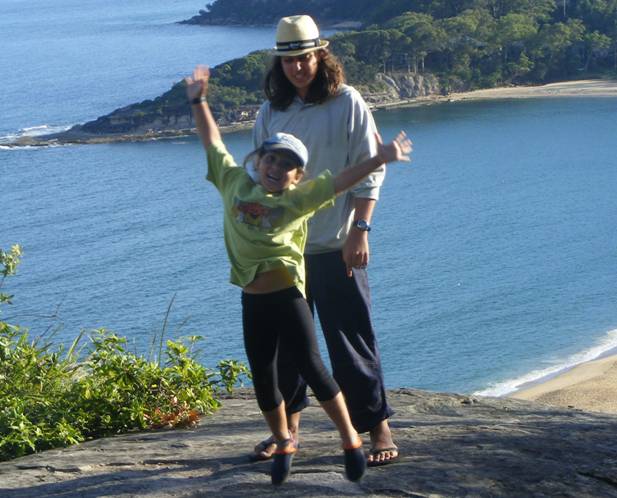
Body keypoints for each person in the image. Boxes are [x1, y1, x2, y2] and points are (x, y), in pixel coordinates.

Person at [185, 65, 411, 485]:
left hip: (289, 294)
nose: (276, 167)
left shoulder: (298, 199)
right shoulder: (233, 181)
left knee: (315, 366)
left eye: (287, 164)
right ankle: (285, 438)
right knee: (265, 376)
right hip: (252, 299)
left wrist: (380, 158)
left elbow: (341, 180)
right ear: (258, 159)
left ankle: (352, 438)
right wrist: (199, 100)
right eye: (271, 158)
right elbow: (211, 140)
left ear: (296, 176)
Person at [251, 14, 399, 466]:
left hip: (336, 244)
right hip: (285, 251)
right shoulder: (271, 112)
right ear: (279, 63)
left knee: (350, 339)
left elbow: (372, 166)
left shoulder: (347, 102)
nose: (297, 67)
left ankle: (377, 428)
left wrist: (361, 228)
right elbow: (255, 172)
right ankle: (288, 430)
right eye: (289, 59)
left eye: (305, 57)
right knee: (285, 346)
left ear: (321, 55)